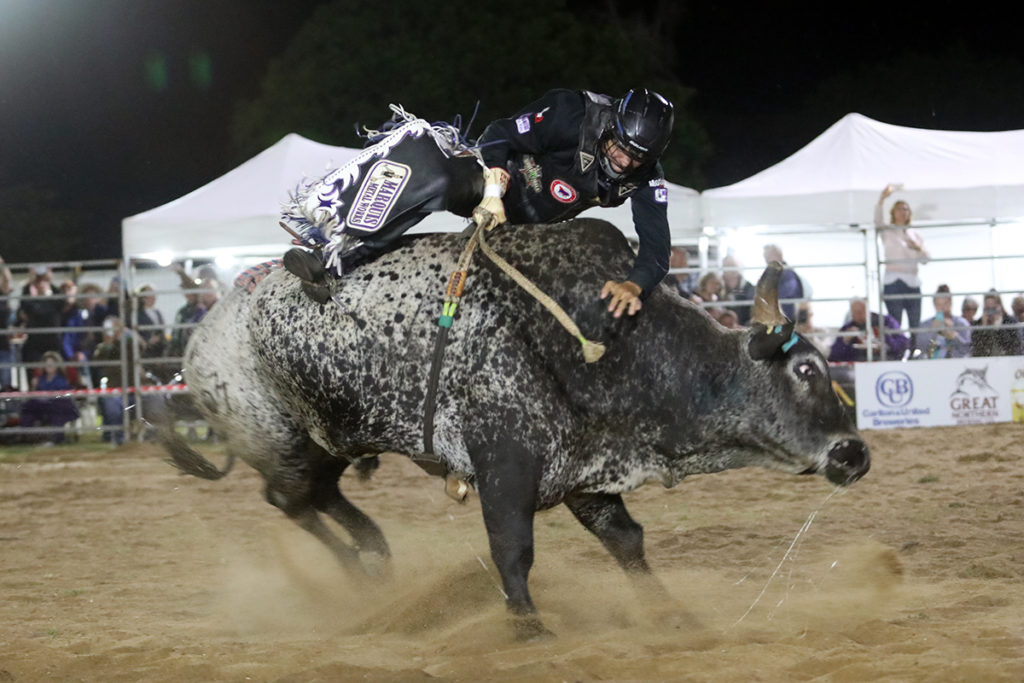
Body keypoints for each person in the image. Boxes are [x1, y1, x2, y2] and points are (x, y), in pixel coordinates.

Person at [280, 88, 676, 318]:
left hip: (535, 231)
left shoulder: (647, 176)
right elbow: (498, 135)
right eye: (619, 148)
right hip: (495, 179)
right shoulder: (571, 113)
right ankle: (337, 258)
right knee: (438, 182)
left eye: (636, 158)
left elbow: (657, 248)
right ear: (611, 126)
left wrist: (635, 284)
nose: (624, 161)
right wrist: (492, 190)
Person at [875, 184, 929, 343]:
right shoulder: (888, 231)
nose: (902, 212)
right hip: (893, 281)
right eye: (899, 208)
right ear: (893, 213)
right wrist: (882, 199)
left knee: (914, 323)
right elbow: (877, 221)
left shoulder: (916, 235)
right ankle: (896, 351)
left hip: (912, 282)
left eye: (905, 209)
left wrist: (918, 248)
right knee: (895, 322)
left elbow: (926, 259)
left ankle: (914, 351)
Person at [18, 350, 79, 444]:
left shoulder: (62, 380)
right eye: (47, 364)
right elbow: (35, 394)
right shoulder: (40, 379)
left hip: (58, 406)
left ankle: (58, 439)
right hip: (42, 405)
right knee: (27, 407)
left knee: (57, 410)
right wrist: (34, 386)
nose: (49, 366)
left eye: (51, 364)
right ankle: (27, 437)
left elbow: (62, 395)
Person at [829, 297, 909, 362]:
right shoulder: (847, 328)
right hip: (859, 366)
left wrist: (887, 341)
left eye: (861, 312)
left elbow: (903, 343)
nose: (858, 315)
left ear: (868, 310)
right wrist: (845, 341)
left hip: (887, 361)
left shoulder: (886, 322)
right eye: (855, 312)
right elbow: (834, 355)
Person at [17, 266, 63, 364]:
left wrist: (49, 280)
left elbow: (61, 300)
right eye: (38, 282)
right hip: (35, 346)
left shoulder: (55, 301)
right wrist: (30, 282)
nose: (41, 284)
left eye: (44, 282)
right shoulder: (33, 303)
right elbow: (24, 303)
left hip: (52, 345)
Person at [915, 284, 971, 359]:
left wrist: (954, 335)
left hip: (955, 364)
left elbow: (966, 349)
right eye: (938, 305)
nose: (942, 308)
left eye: (945, 304)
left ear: (951, 303)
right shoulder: (925, 325)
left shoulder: (961, 323)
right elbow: (921, 347)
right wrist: (932, 331)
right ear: (934, 305)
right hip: (931, 364)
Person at [167, 267, 206, 361]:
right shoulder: (182, 311)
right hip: (181, 351)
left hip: (196, 351)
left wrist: (181, 273)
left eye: (190, 292)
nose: (188, 295)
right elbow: (175, 332)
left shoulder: (201, 310)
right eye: (185, 292)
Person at [971, 290, 1023, 357]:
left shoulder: (1011, 322)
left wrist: (998, 327)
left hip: (1007, 362)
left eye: (993, 308)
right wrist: (984, 327)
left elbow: (1011, 345)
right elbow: (977, 348)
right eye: (988, 309)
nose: (991, 312)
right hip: (985, 362)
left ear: (1000, 306)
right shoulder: (978, 324)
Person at [762, 244, 803, 321]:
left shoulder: (788, 274)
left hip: (787, 319)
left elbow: (786, 292)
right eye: (765, 258)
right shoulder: (774, 274)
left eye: (768, 257)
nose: (766, 261)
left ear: (778, 255)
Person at [721, 255, 756, 326]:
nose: (731, 269)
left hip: (745, 328)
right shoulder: (717, 286)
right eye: (728, 266)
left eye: (734, 265)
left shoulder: (749, 288)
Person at [0, 254, 13, 389]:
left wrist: (2, 264)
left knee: (5, 382)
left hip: (2, 344)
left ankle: (8, 409)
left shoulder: (2, 294)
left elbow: (7, 279)